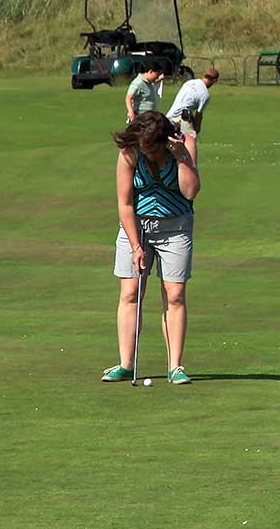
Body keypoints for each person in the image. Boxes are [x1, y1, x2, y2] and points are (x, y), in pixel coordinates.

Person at [102, 111, 200, 385]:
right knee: (131, 292)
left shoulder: (185, 144)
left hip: (175, 227)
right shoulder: (130, 152)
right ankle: (125, 364)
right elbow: (125, 204)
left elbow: (190, 191)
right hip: (136, 227)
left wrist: (182, 158)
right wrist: (136, 246)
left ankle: (175, 367)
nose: (148, 153)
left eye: (153, 148)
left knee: (175, 294)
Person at [165, 68, 219, 160]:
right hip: (183, 117)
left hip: (170, 115)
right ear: (214, 80)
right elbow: (199, 114)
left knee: (170, 141)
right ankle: (191, 164)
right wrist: (197, 127)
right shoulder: (205, 94)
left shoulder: (189, 82)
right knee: (190, 140)